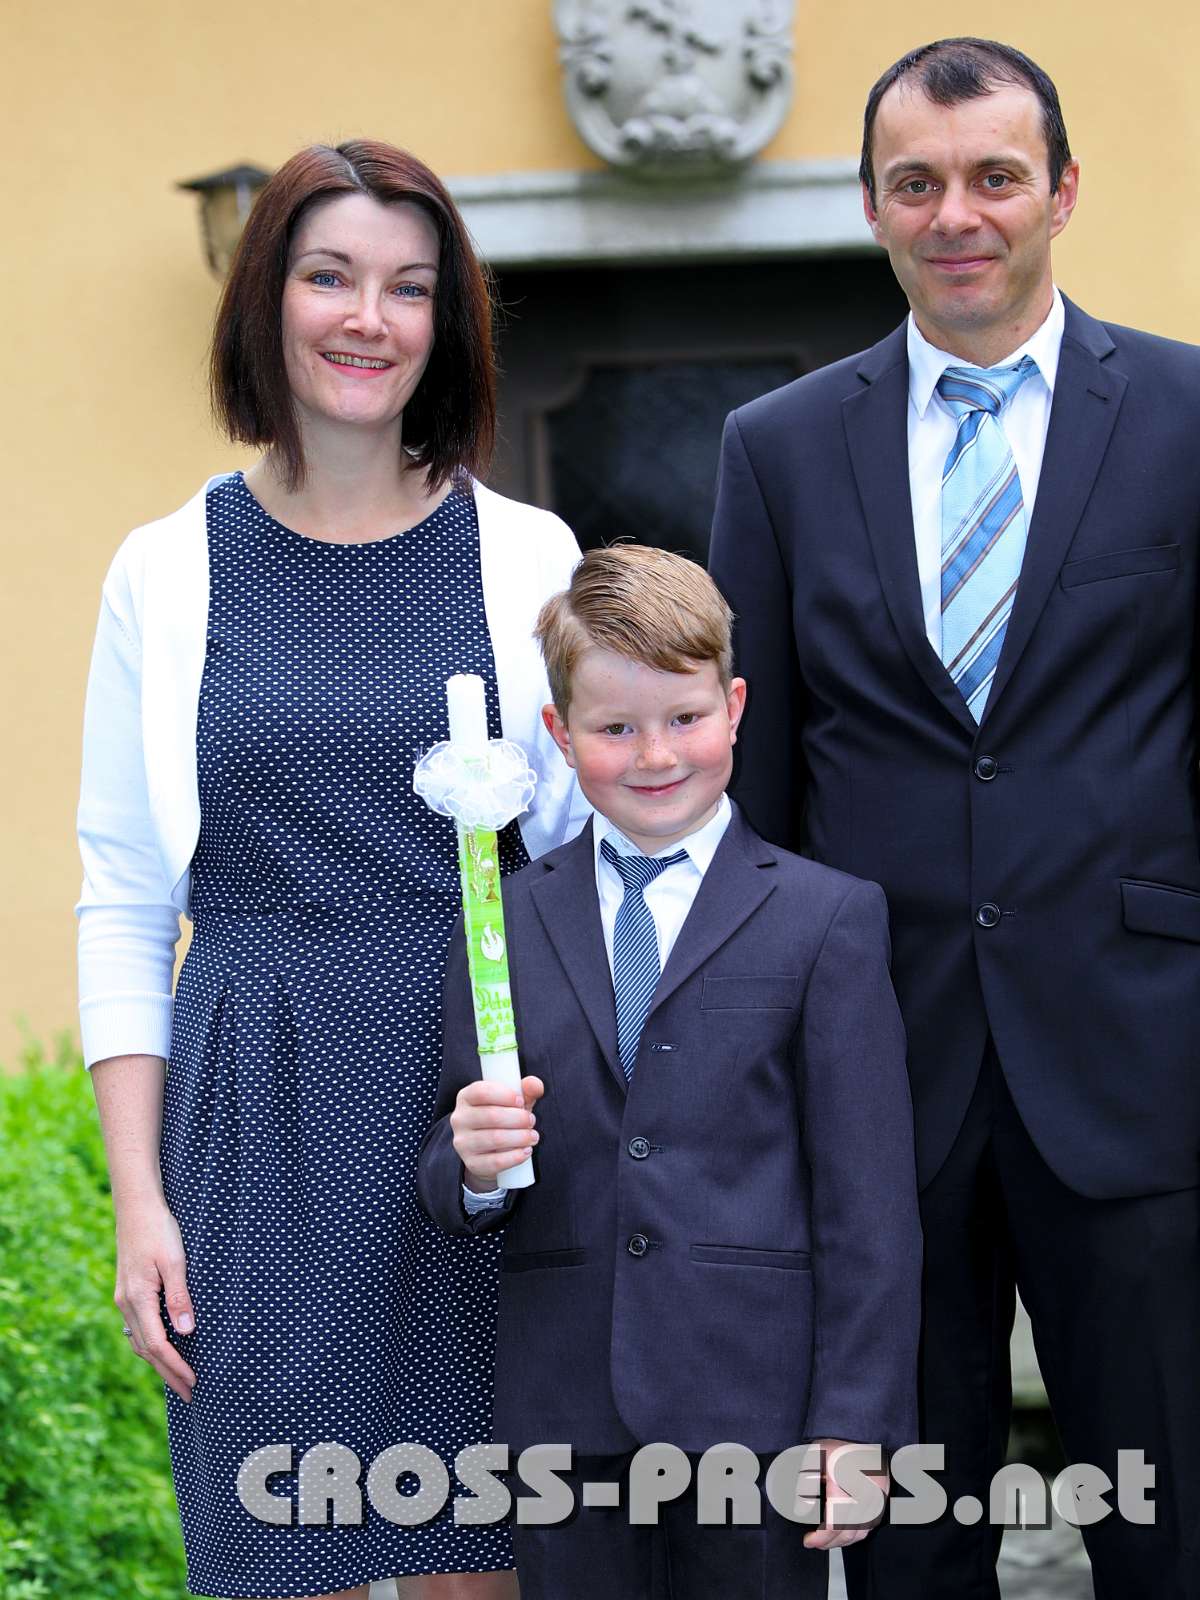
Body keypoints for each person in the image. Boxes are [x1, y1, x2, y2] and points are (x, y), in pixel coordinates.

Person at [708, 36, 1200, 1600]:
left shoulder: (1189, 412)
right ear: (870, 206)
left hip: (1144, 1064)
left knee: (1174, 1528)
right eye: (914, 183)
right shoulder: (778, 449)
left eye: (995, 176)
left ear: (1063, 191)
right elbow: (756, 789)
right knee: (912, 1545)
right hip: (879, 1077)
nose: (956, 215)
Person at [76, 140, 589, 1600]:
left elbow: (580, 867)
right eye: (331, 277)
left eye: (410, 288)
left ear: (448, 323)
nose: (370, 318)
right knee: (276, 1556)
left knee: (477, 1561)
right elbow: (123, 899)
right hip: (255, 1126)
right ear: (267, 298)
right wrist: (137, 1201)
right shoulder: (166, 570)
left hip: (471, 1122)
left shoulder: (529, 557)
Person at [415, 545, 922, 1600]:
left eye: (684, 718)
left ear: (733, 708)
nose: (655, 755)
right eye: (614, 729)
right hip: (567, 1415)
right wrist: (472, 1164)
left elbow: (869, 1204)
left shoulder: (825, 917)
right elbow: (456, 1171)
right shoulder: (500, 923)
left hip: (760, 1413)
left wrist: (855, 1421)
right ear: (560, 736)